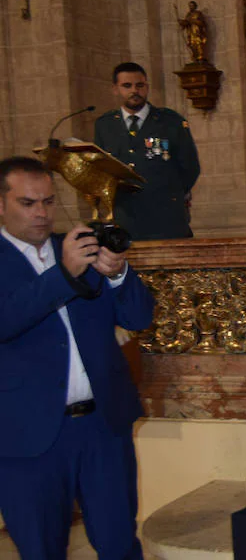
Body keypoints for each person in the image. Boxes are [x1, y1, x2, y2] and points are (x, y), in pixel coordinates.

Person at [0, 156, 155, 559]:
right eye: (28, 203)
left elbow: (139, 317)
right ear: (1, 205)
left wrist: (118, 272)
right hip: (26, 436)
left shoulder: (78, 248)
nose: (41, 213)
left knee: (120, 543)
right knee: (41, 549)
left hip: (102, 428)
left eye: (49, 202)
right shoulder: (66, 259)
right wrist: (64, 274)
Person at [94, 62, 201, 240]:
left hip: (166, 219)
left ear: (147, 87)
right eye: (127, 86)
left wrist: (169, 195)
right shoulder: (105, 125)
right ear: (115, 89)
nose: (134, 91)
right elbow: (101, 168)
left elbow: (190, 167)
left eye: (140, 85)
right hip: (126, 220)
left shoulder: (171, 122)